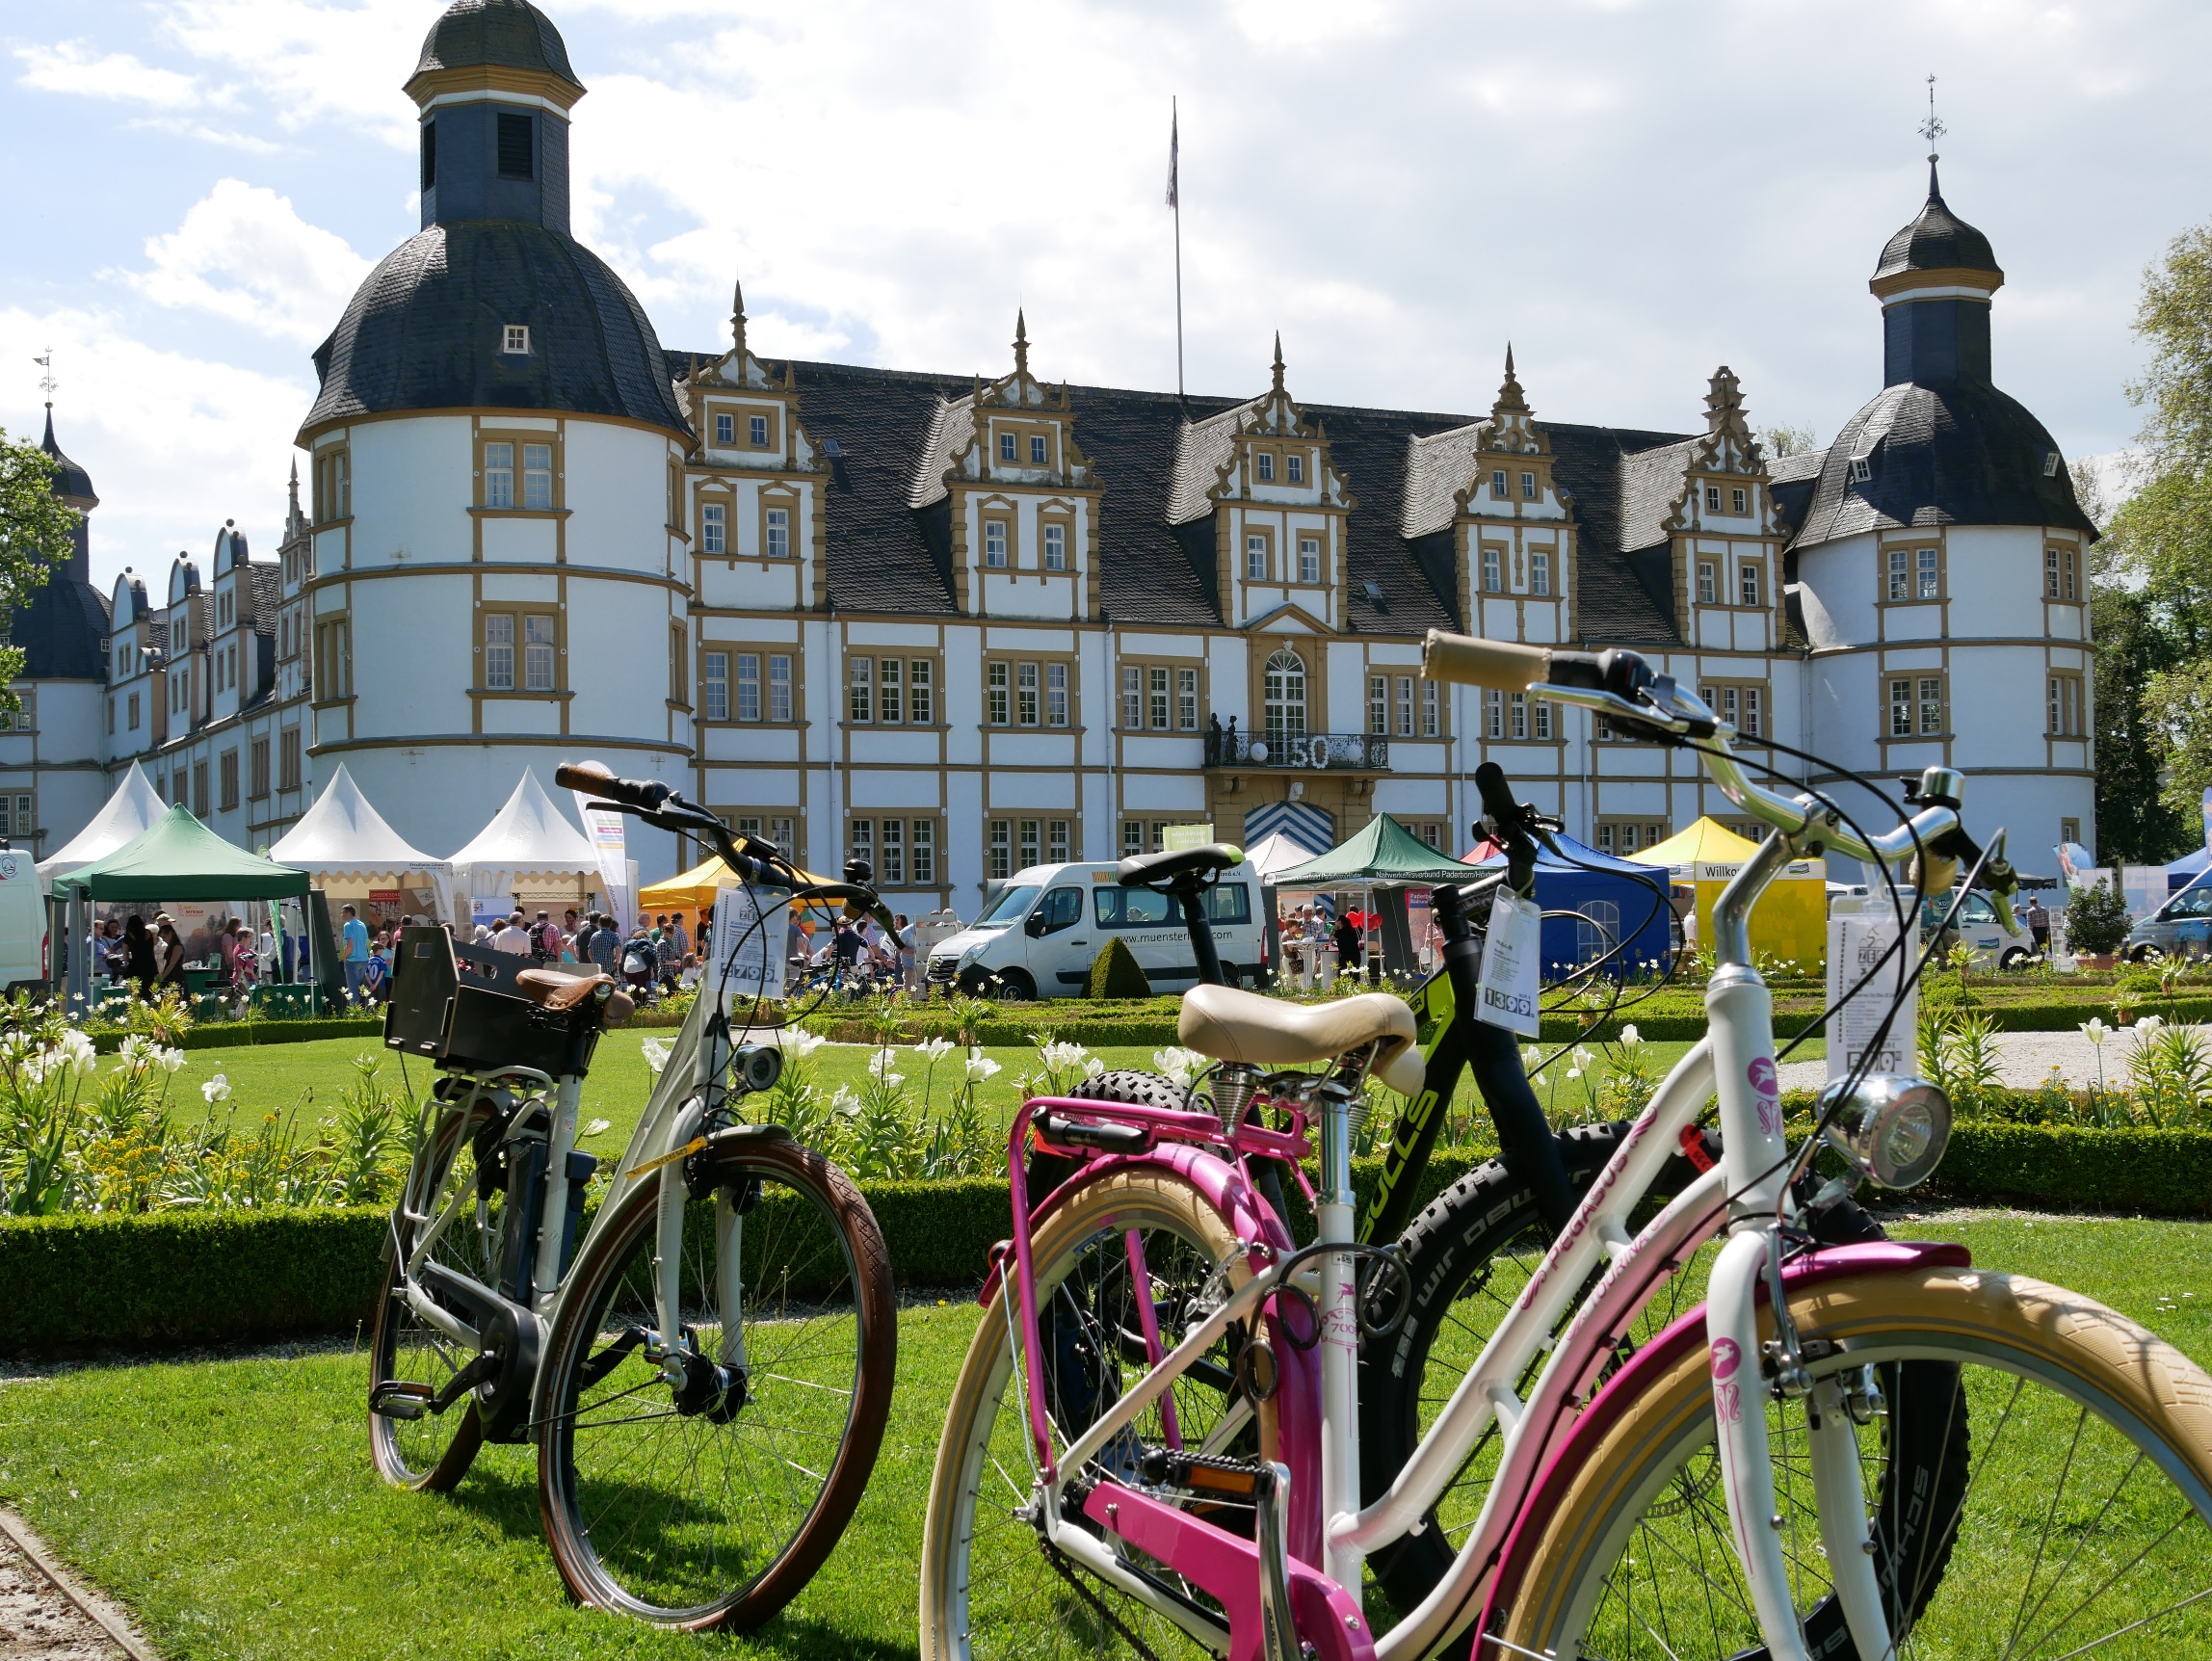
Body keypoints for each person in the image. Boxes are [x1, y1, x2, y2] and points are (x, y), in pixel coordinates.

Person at [339, 904, 372, 1001]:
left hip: (353, 960)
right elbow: (365, 941)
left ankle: (354, 1010)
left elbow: (350, 945)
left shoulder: (348, 925)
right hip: (364, 960)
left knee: (352, 991)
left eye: (343, 912)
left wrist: (344, 957)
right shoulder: (362, 925)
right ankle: (363, 1008)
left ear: (348, 913)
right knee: (360, 989)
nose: (341, 915)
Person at [123, 914, 156, 999]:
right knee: (149, 992)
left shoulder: (128, 935)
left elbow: (125, 956)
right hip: (150, 965)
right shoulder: (148, 933)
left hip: (136, 966)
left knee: (136, 993)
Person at [154, 914, 187, 991]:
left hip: (175, 976)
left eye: (164, 937)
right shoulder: (167, 946)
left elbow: (171, 965)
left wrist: (161, 979)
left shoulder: (177, 947)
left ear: (170, 934)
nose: (163, 940)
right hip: (167, 975)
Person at [1332, 910, 1362, 976]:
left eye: (1336, 921)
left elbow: (1331, 939)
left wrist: (1333, 929)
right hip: (1355, 955)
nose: (1335, 923)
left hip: (1346, 956)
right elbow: (1349, 942)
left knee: (1344, 975)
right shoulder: (1352, 930)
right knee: (1354, 975)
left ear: (1340, 922)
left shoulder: (1339, 932)